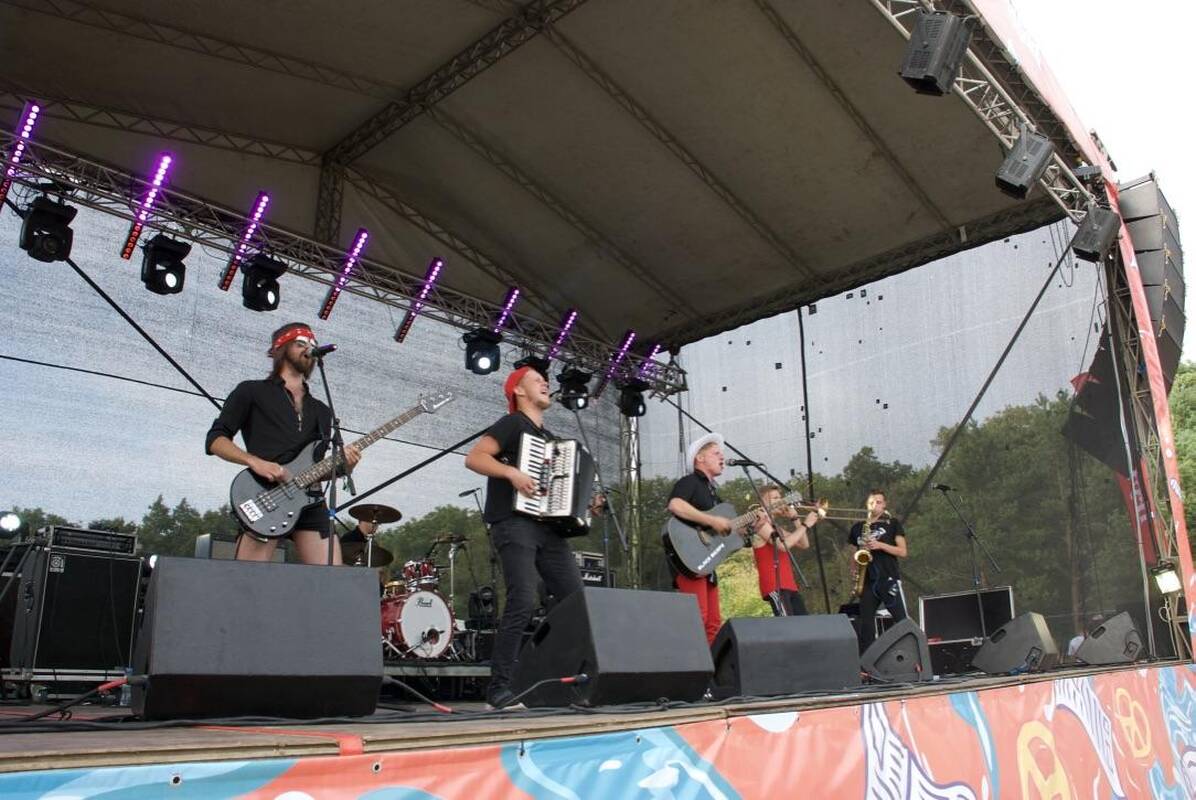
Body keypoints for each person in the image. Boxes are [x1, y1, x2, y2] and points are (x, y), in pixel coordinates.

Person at [464, 365, 601, 709]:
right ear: (518, 391)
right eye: (536, 380)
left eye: (545, 380)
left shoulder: (550, 439)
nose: (545, 383)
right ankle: (499, 688)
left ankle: (565, 681)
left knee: (576, 603)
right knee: (523, 599)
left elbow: (558, 490)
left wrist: (587, 504)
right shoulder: (512, 424)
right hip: (513, 522)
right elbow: (475, 458)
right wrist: (511, 472)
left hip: (548, 528)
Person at [206, 322, 360, 565]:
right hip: (265, 493)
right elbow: (215, 439)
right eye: (301, 343)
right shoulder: (251, 391)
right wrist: (254, 462)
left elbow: (316, 468)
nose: (308, 348)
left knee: (330, 580)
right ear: (280, 348)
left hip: (310, 501)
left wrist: (345, 466)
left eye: (312, 345)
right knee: (247, 579)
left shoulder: (322, 410)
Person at [666, 433, 731, 645]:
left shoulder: (714, 493)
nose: (722, 457)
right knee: (696, 618)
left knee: (713, 623)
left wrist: (753, 523)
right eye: (716, 453)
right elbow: (675, 505)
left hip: (707, 560)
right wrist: (712, 520)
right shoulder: (690, 482)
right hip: (689, 557)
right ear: (700, 458)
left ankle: (709, 665)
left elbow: (725, 530)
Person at [848, 489, 908, 651]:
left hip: (888, 579)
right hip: (867, 581)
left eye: (879, 502)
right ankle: (867, 661)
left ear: (884, 504)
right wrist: (854, 569)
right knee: (866, 624)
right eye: (872, 502)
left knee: (901, 620)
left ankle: (911, 656)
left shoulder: (892, 523)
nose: (875, 505)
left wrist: (880, 545)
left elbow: (903, 551)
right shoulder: (857, 527)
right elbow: (853, 552)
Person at [750, 484, 821, 617]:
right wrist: (806, 524)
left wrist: (796, 519)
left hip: (789, 585)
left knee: (804, 623)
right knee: (787, 624)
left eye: (780, 497)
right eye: (775, 498)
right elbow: (782, 545)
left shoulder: (776, 527)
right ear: (762, 503)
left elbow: (804, 544)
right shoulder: (760, 524)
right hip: (775, 585)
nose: (781, 501)